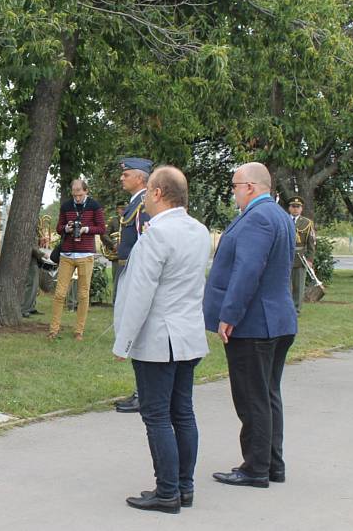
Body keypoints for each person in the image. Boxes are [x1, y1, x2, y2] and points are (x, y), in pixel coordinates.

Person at [114, 166, 211, 514]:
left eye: (148, 193)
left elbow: (140, 293)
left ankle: (167, 490)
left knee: (156, 416)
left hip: (160, 337)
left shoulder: (156, 234)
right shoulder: (199, 231)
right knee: (182, 412)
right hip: (187, 335)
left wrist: (122, 342)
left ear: (157, 193)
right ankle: (184, 487)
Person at [204, 162, 298, 488]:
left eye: (235, 186)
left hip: (256, 323)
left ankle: (255, 468)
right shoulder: (280, 215)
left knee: (252, 397)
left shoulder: (258, 218)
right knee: (268, 394)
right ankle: (272, 464)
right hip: (276, 318)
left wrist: (228, 315)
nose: (233, 192)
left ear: (251, 187)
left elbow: (248, 271)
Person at [114, 157, 153, 414]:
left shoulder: (144, 204)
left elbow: (146, 242)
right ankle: (142, 390)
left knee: (139, 332)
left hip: (136, 273)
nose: (121, 178)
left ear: (140, 177)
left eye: (126, 175)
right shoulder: (135, 203)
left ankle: (145, 394)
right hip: (128, 269)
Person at [48, 179, 105, 340]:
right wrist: (66, 227)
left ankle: (79, 331)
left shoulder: (94, 206)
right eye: (74, 194)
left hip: (85, 255)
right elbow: (59, 228)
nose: (77, 198)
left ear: (86, 191)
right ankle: (54, 329)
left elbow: (102, 228)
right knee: (59, 294)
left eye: (80, 194)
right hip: (66, 254)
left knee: (83, 295)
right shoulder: (66, 206)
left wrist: (86, 229)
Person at [287, 195, 316, 314]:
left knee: (299, 286)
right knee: (285, 286)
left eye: (298, 207)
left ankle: (296, 309)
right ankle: (286, 309)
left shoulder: (307, 223)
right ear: (289, 208)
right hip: (285, 257)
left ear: (301, 208)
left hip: (300, 257)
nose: (295, 209)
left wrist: (310, 259)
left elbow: (311, 243)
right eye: (293, 206)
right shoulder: (283, 219)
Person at [100, 201, 125, 305]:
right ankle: (115, 302)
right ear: (117, 209)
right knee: (116, 279)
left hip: (128, 254)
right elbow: (104, 234)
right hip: (116, 255)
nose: (123, 210)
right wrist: (112, 245)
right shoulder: (113, 221)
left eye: (125, 208)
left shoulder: (130, 220)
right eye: (121, 208)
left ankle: (124, 302)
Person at [21, 234, 47, 318]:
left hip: (33, 261)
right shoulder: (28, 228)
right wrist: (43, 254)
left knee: (34, 286)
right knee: (31, 285)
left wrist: (39, 241)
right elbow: (31, 246)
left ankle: (31, 307)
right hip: (30, 262)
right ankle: (24, 309)